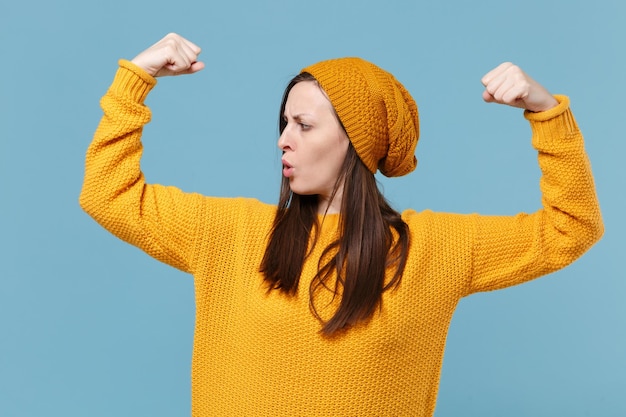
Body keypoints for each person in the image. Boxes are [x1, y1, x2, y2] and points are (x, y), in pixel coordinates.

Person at [80, 33, 603, 417]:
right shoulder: (229, 233)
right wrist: (137, 79)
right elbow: (108, 193)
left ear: (358, 142)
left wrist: (547, 112)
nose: (284, 139)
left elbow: (572, 227)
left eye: (304, 125)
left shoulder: (433, 249)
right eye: (283, 123)